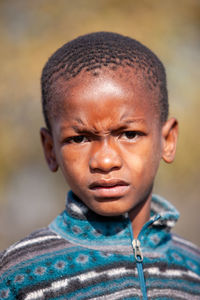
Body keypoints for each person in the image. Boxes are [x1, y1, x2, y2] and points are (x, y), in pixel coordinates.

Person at [0, 32, 199, 300]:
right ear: (51, 150)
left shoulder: (192, 270)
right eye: (79, 138)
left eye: (129, 134)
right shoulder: (19, 275)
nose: (105, 161)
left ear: (167, 140)